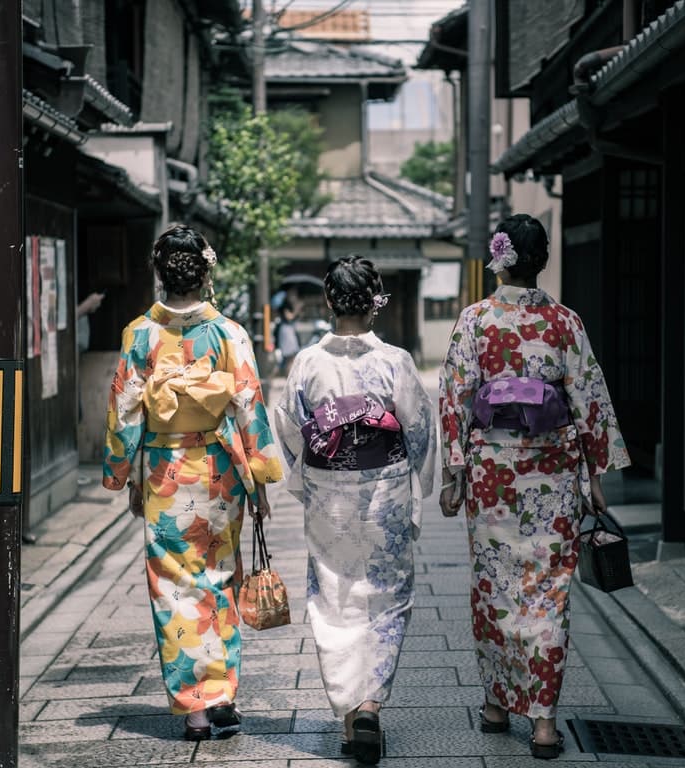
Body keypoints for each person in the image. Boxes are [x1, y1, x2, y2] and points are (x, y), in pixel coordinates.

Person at [438, 214, 630, 759]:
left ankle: (497, 704)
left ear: (497, 259)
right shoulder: (565, 323)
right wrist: (594, 476)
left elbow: (455, 401)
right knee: (548, 593)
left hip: (492, 475)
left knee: (495, 587)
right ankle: (543, 721)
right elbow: (589, 399)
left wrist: (454, 476)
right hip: (552, 473)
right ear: (541, 260)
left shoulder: (474, 320)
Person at [102, 224, 283, 742]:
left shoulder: (140, 333)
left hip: (164, 469)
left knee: (174, 587)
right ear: (206, 273)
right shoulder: (229, 332)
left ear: (160, 273)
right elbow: (249, 402)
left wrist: (121, 471)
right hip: (220, 467)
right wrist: (261, 477)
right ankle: (222, 694)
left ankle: (195, 709)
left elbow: (125, 410)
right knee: (219, 576)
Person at [274, 255, 436, 765]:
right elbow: (418, 430)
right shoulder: (395, 361)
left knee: (334, 596)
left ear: (328, 303)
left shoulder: (307, 363)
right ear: (375, 302)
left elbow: (289, 428)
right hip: (384, 488)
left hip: (328, 489)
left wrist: (308, 474)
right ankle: (370, 705)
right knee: (386, 597)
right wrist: (418, 481)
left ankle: (350, 717)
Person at [273, 299, 302, 376]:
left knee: (289, 360)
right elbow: (289, 316)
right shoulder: (286, 306)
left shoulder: (285, 305)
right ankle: (287, 377)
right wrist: (297, 310)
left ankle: (286, 377)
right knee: (289, 360)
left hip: (287, 333)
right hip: (287, 334)